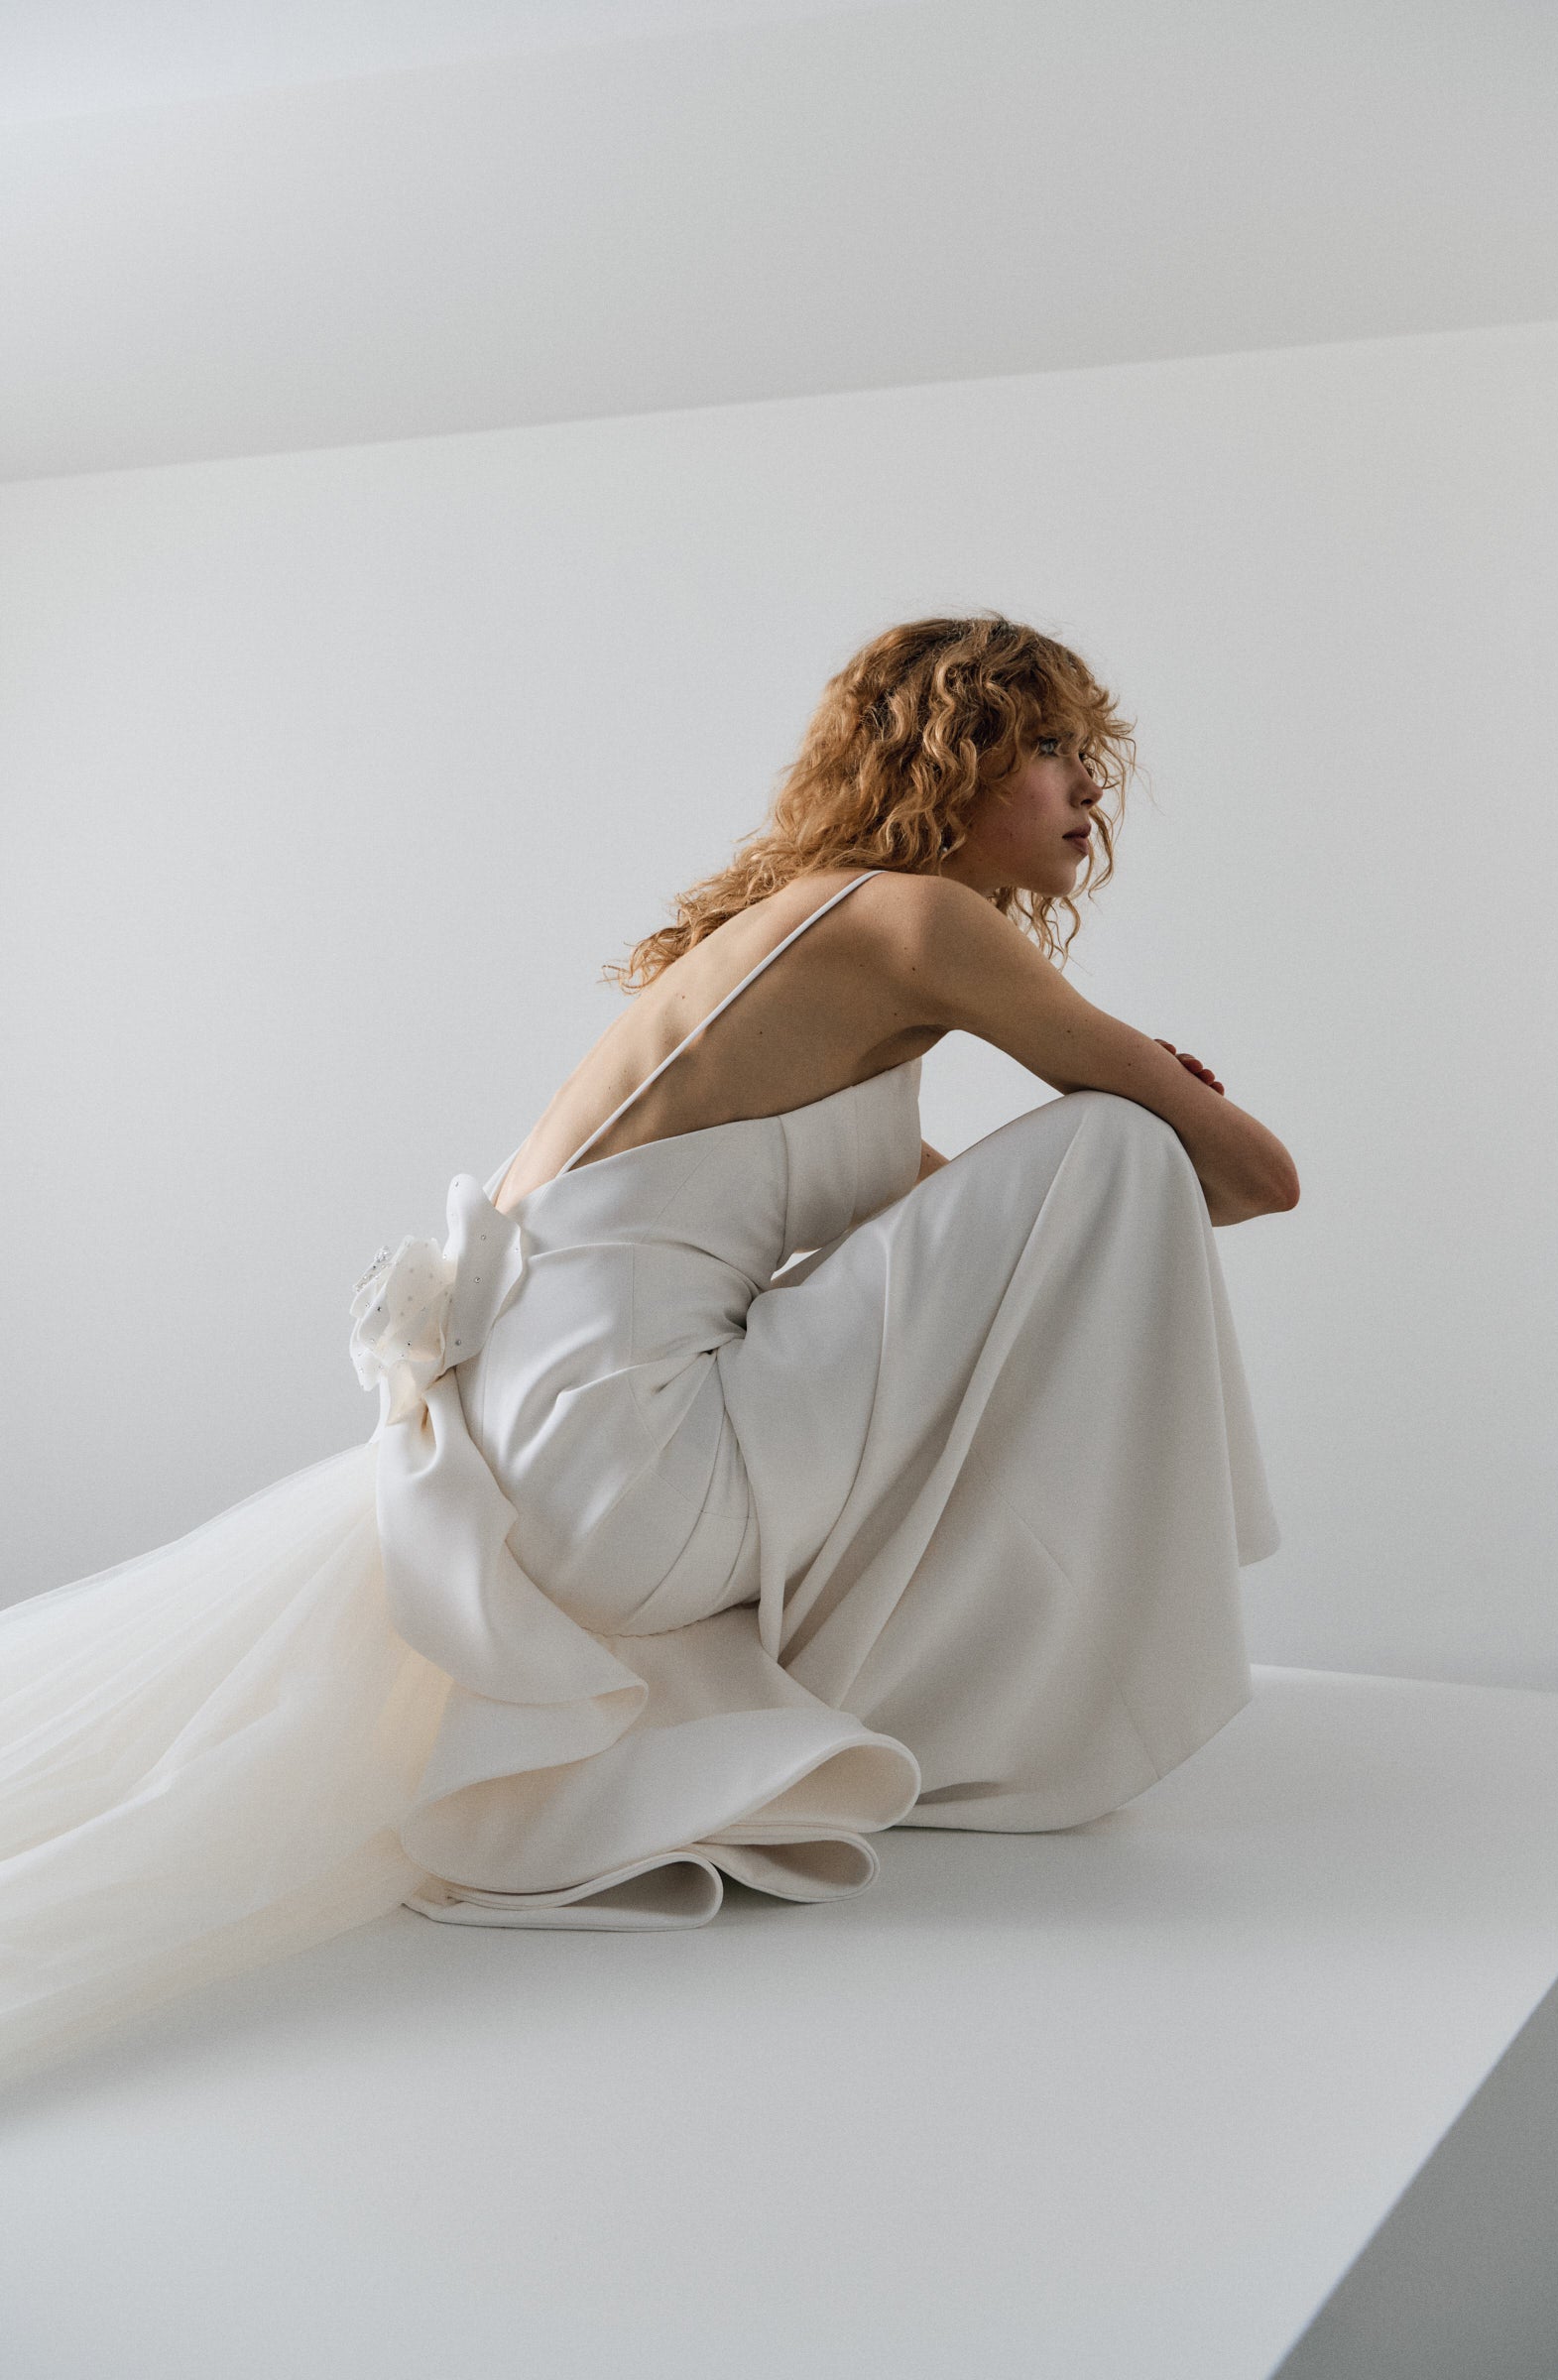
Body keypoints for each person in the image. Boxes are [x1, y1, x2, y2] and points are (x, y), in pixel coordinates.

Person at [0, 613, 1297, 2085]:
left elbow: (994, 1249)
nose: (1090, 791)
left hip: (550, 1466)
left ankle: (991, 1661)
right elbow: (1250, 1181)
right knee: (1116, 1147)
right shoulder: (923, 923)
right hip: (631, 1465)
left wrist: (1112, 1160)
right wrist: (1158, 1101)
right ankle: (1031, 1671)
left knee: (1097, 1165)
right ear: (959, 756)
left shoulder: (815, 942)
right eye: (1053, 748)